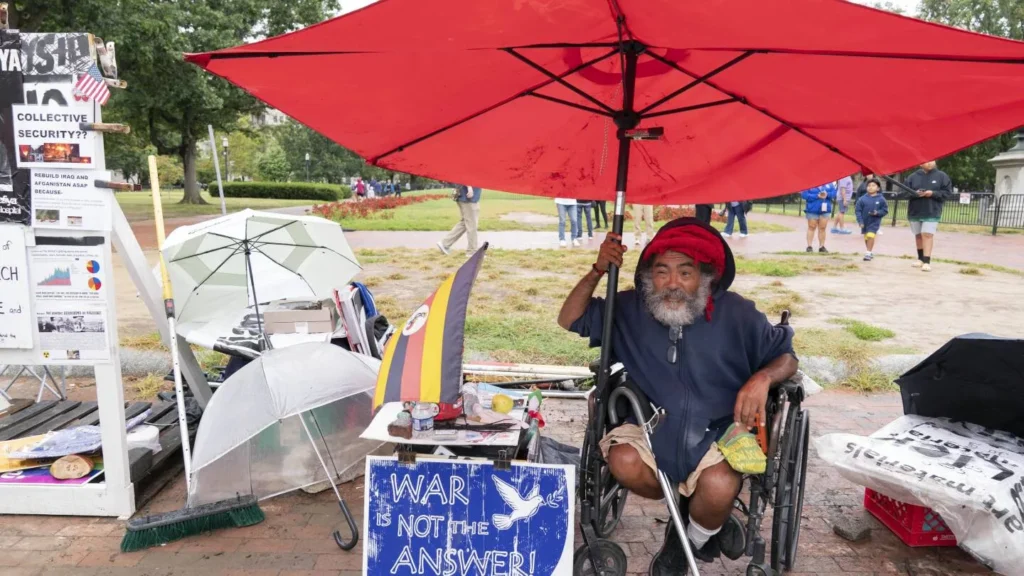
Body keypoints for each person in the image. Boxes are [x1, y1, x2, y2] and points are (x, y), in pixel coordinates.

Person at [557, 219, 798, 575]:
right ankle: (695, 511)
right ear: (648, 277)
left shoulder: (737, 314)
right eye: (661, 272)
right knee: (622, 461)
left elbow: (788, 358)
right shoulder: (630, 309)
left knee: (717, 487)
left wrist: (762, 377)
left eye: (685, 273)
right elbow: (569, 318)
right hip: (651, 422)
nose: (672, 284)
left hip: (720, 427)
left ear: (705, 277)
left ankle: (687, 539)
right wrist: (597, 269)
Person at [903, 161, 953, 272]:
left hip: (932, 211)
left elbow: (947, 193)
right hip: (915, 211)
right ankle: (920, 259)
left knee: (927, 234)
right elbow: (904, 192)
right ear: (920, 164)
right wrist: (915, 193)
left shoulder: (942, 176)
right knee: (918, 235)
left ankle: (927, 261)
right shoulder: (912, 177)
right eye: (926, 161)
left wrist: (933, 193)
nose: (930, 163)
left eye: (932, 160)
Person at [436, 184, 482, 255]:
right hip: (468, 197)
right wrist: (469, 187)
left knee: (466, 222)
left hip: (466, 195)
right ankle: (472, 251)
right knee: (472, 225)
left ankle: (445, 243)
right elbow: (465, 174)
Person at [855, 178, 889, 261]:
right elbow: (858, 211)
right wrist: (860, 221)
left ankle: (868, 253)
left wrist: (877, 213)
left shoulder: (881, 199)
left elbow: (885, 210)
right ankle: (869, 251)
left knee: (871, 235)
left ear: (878, 188)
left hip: (874, 222)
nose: (870, 187)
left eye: (873, 185)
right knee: (867, 237)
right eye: (869, 186)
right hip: (864, 222)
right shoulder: (862, 199)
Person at [801, 182, 837, 253]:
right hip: (812, 209)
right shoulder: (808, 183)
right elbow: (804, 195)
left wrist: (827, 195)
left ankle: (822, 246)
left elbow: (834, 193)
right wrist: (817, 196)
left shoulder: (829, 183)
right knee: (811, 227)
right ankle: (809, 246)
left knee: (822, 228)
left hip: (825, 209)